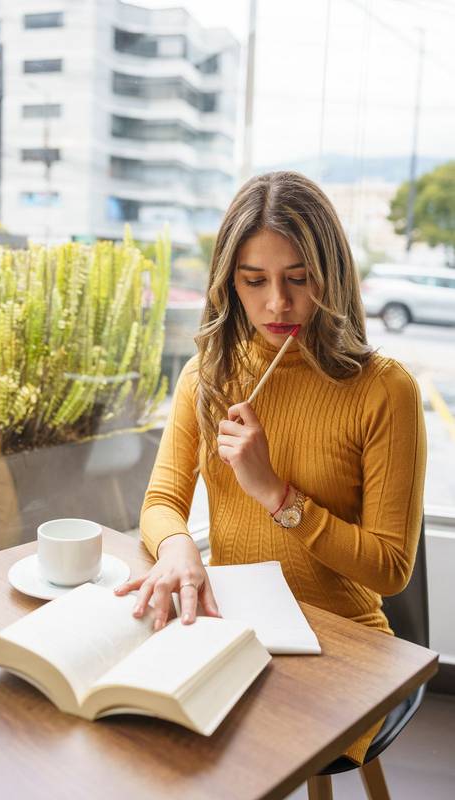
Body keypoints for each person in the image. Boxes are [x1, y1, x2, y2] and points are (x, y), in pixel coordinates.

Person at [115, 171, 426, 764]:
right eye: (254, 280)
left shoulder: (386, 391)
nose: (277, 303)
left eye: (298, 280)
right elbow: (159, 504)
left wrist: (277, 494)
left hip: (344, 642)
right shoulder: (206, 376)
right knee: (145, 744)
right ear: (229, 283)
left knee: (236, 760)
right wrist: (179, 547)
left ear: (330, 277)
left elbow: (390, 570)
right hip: (239, 628)